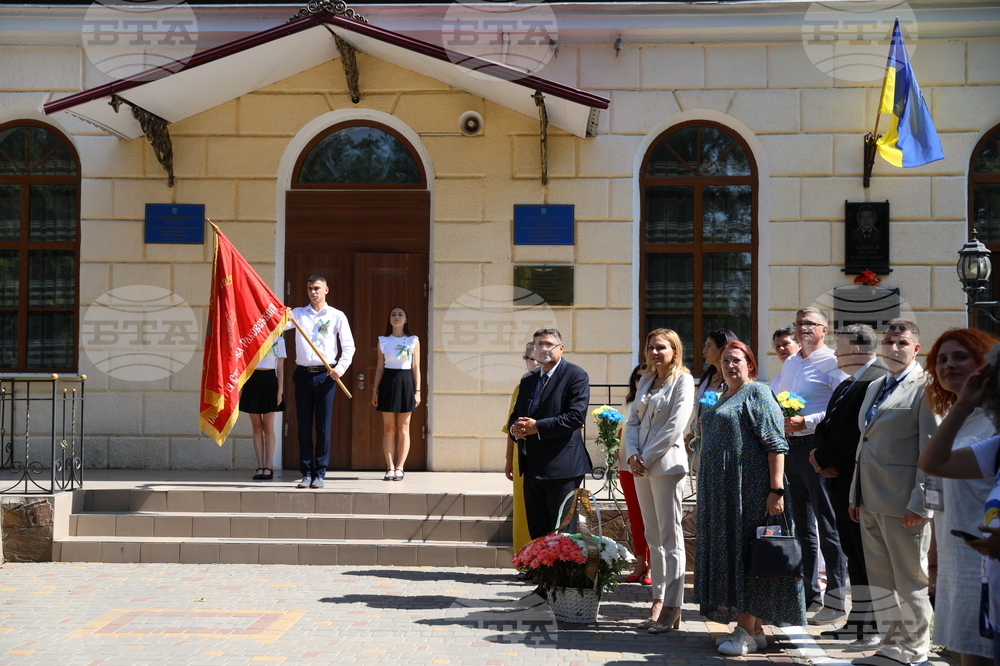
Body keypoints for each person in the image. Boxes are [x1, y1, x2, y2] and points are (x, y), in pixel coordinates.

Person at [694, 340, 805, 656]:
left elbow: (776, 444)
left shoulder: (757, 393)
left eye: (737, 360)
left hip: (750, 490)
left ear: (750, 364)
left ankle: (744, 631)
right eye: (726, 359)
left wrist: (775, 491)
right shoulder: (722, 396)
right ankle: (754, 632)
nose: (730, 365)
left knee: (750, 555)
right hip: (723, 493)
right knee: (737, 553)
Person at [849, 319, 939, 666]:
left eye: (902, 342)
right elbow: (865, 443)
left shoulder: (926, 388)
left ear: (916, 348)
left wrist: (922, 503)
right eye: (888, 342)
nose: (894, 348)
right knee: (881, 580)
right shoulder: (876, 386)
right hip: (870, 500)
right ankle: (891, 648)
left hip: (906, 504)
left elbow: (931, 451)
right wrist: (855, 495)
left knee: (910, 580)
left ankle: (916, 652)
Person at [919, 329, 997, 666]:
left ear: (984, 366)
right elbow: (941, 501)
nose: (948, 365)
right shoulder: (957, 421)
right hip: (956, 559)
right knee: (964, 654)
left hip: (983, 561)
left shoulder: (991, 425)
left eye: (960, 356)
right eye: (942, 359)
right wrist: (934, 564)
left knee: (977, 655)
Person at [808, 324, 887, 648]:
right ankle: (857, 623)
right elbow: (828, 424)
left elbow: (858, 432)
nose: (835, 355)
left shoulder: (876, 379)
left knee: (866, 556)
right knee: (853, 554)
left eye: (839, 348)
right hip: (839, 478)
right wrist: (818, 455)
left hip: (859, 479)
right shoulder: (849, 383)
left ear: (855, 349)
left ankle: (872, 626)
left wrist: (823, 456)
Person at [772, 307, 849, 623]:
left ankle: (835, 598)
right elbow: (778, 398)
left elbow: (841, 405)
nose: (803, 328)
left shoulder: (833, 361)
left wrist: (809, 420)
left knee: (828, 524)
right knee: (801, 527)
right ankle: (809, 595)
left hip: (818, 451)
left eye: (810, 323)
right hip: (790, 451)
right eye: (799, 323)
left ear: (824, 329)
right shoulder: (790, 363)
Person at [624, 329, 695, 633]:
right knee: (653, 536)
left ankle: (673, 606)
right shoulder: (647, 380)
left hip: (666, 466)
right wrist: (631, 455)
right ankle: (657, 601)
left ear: (675, 351)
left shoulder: (683, 380)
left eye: (661, 348)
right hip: (640, 467)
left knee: (670, 536)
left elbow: (675, 425)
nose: (654, 352)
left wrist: (646, 457)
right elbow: (632, 422)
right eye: (651, 348)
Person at [508, 328, 592, 542]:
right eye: (538, 345)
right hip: (531, 467)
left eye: (548, 344)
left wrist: (539, 427)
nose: (543, 349)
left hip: (562, 467)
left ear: (560, 348)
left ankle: (560, 575)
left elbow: (575, 417)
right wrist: (514, 429)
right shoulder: (528, 380)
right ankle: (540, 574)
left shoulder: (576, 375)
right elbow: (516, 416)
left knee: (562, 531)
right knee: (538, 529)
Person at [287, 275, 355, 489]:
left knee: (323, 426)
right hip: (303, 374)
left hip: (326, 375)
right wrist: (280, 316)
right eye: (309, 288)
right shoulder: (297, 314)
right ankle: (306, 472)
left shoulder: (336, 315)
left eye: (317, 288)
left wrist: (340, 369)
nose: (313, 292)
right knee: (304, 426)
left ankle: (320, 473)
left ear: (327, 290)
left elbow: (349, 346)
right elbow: (275, 328)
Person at [371, 306, 421, 482]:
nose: (397, 317)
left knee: (403, 429)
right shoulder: (383, 341)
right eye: (393, 314)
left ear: (406, 319)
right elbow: (379, 368)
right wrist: (375, 390)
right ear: (389, 319)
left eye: (400, 314)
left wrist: (418, 391)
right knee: (389, 429)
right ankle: (390, 467)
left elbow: (416, 368)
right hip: (388, 383)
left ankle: (400, 467)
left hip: (406, 382)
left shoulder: (413, 340)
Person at [504, 342, 540, 559]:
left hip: (548, 457)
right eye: (529, 358)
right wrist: (508, 460)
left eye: (537, 358)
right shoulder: (521, 388)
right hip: (522, 457)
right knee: (523, 510)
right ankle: (524, 559)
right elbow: (510, 428)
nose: (533, 362)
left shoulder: (557, 384)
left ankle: (545, 560)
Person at [617, 363, 651, 586]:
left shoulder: (657, 402)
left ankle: (654, 566)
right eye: (637, 378)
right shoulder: (627, 403)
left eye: (645, 377)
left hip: (650, 465)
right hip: (626, 465)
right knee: (636, 518)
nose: (640, 382)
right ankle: (640, 563)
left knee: (653, 520)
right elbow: (622, 432)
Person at [684, 329, 738, 466]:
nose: (704, 351)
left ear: (723, 348)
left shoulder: (735, 380)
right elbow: (699, 408)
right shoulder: (708, 377)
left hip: (724, 445)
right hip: (702, 445)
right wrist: (693, 431)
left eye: (709, 346)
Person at [239, 336, 286, 481]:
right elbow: (241, 364)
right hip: (251, 380)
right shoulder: (250, 336)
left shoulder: (279, 339)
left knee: (269, 427)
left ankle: (268, 466)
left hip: (270, 381)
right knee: (257, 427)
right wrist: (239, 390)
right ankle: (259, 466)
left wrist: (280, 391)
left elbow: (280, 368)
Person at [770, 325, 801, 391]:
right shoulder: (777, 378)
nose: (781, 349)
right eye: (777, 346)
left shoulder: (809, 373)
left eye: (785, 344)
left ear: (800, 345)